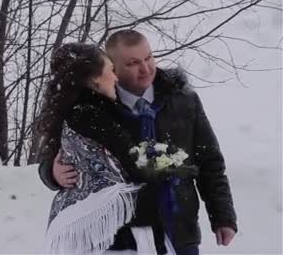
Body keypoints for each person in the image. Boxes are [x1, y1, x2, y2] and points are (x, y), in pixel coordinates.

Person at [39, 30, 237, 255]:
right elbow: (54, 156)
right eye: (133, 63)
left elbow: (210, 161)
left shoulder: (184, 100)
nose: (145, 69)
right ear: (113, 66)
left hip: (180, 228)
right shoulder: (95, 108)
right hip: (125, 237)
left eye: (149, 58)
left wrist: (223, 216)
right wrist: (52, 173)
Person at [37, 43, 183, 254]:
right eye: (110, 71)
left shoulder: (87, 109)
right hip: (115, 234)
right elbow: (137, 165)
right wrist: (51, 172)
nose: (116, 77)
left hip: (96, 231)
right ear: (94, 79)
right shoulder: (91, 114)